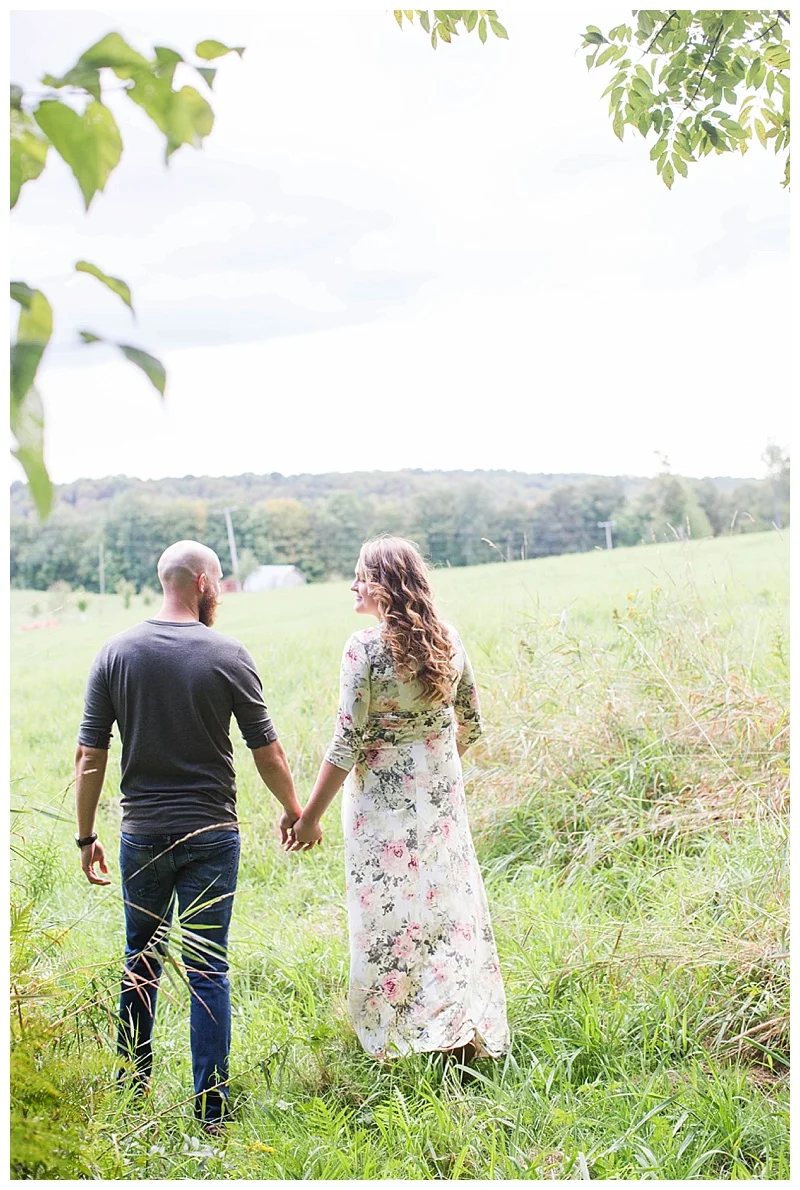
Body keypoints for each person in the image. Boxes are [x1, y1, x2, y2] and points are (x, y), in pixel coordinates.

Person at [74, 540, 302, 1132]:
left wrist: (85, 836)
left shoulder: (116, 652)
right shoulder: (228, 653)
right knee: (207, 969)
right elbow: (268, 750)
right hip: (211, 835)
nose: (219, 590)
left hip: (142, 835)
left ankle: (131, 1096)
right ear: (201, 581)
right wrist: (294, 810)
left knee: (140, 962)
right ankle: (211, 1113)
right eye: (218, 581)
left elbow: (89, 754)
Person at [288, 535, 509, 1062]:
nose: (353, 586)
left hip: (380, 809)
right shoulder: (448, 641)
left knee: (389, 912)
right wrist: (432, 760)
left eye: (361, 576)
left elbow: (346, 743)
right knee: (447, 908)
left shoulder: (363, 648)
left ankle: (405, 1029)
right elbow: (472, 725)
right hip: (440, 798)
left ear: (384, 585)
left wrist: (309, 818)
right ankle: (454, 1022)